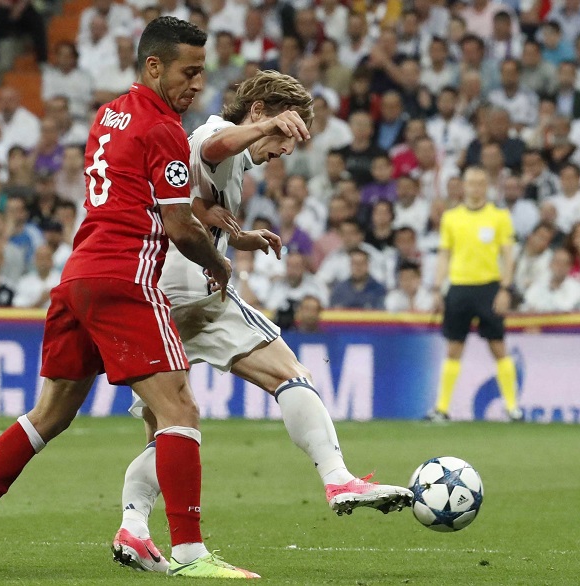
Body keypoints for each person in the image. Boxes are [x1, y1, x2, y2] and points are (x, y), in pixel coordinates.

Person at [0, 17, 257, 579]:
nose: (197, 84)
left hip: (79, 274)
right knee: (179, 409)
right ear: (154, 65)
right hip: (124, 277)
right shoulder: (165, 131)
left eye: (201, 72)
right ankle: (190, 555)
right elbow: (178, 226)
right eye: (189, 71)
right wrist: (219, 261)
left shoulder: (110, 114)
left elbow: (142, 191)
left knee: (49, 414)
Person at [113, 69, 413, 573]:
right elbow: (215, 145)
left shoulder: (221, 154)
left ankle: (133, 528)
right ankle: (337, 476)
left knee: (165, 427)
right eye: (284, 134)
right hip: (193, 297)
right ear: (259, 113)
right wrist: (259, 129)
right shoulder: (215, 133)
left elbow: (191, 203)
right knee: (288, 376)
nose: (284, 151)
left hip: (166, 296)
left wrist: (239, 237)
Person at [428, 167, 523, 422]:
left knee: (498, 346)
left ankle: (512, 408)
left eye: (481, 183)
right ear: (464, 186)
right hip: (459, 287)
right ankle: (442, 409)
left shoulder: (499, 216)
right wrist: (437, 287)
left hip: (489, 287)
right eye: (471, 183)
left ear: (487, 186)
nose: (476, 188)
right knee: (454, 348)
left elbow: (508, 256)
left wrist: (505, 288)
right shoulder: (451, 218)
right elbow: (444, 254)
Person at [521, 248, 580, 312]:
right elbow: (524, 308)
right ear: (550, 264)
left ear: (570, 267)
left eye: (565, 263)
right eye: (557, 262)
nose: (560, 267)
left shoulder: (578, 289)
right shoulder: (536, 286)